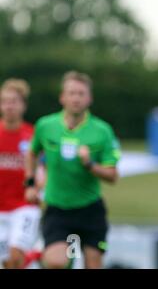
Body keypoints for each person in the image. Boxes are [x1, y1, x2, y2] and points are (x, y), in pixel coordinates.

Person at [24, 71, 121, 269]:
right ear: (62, 97)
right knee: (56, 262)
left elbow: (112, 176)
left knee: (93, 265)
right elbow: (32, 153)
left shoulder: (102, 131)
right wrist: (31, 183)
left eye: (81, 93)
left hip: (90, 210)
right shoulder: (45, 126)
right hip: (57, 209)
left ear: (89, 98)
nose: (76, 98)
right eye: (72, 93)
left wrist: (89, 164)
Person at [0, 78, 41, 269]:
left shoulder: (32, 135)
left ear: (23, 105)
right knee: (6, 262)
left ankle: (31, 256)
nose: (9, 106)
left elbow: (43, 169)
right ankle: (34, 257)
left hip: (23, 207)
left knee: (15, 256)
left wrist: (36, 187)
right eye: (5, 101)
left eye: (14, 101)